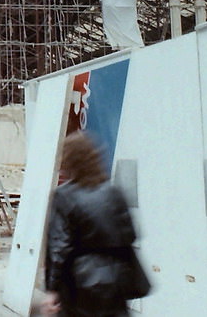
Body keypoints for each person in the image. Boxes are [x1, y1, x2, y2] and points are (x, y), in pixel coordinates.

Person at [41, 131, 149, 316]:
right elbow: (130, 234)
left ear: (70, 162)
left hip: (79, 285)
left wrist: (52, 290)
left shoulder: (64, 196)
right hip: (115, 281)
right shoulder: (112, 192)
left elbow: (59, 249)